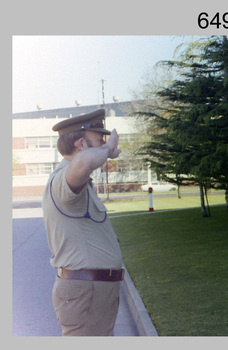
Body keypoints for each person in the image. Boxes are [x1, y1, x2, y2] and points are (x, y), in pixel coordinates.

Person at [41, 109, 124, 336]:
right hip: (86, 291)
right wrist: (107, 150)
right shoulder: (64, 177)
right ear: (81, 143)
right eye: (99, 140)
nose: (104, 144)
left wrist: (103, 149)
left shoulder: (79, 182)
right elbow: (82, 164)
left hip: (92, 291)